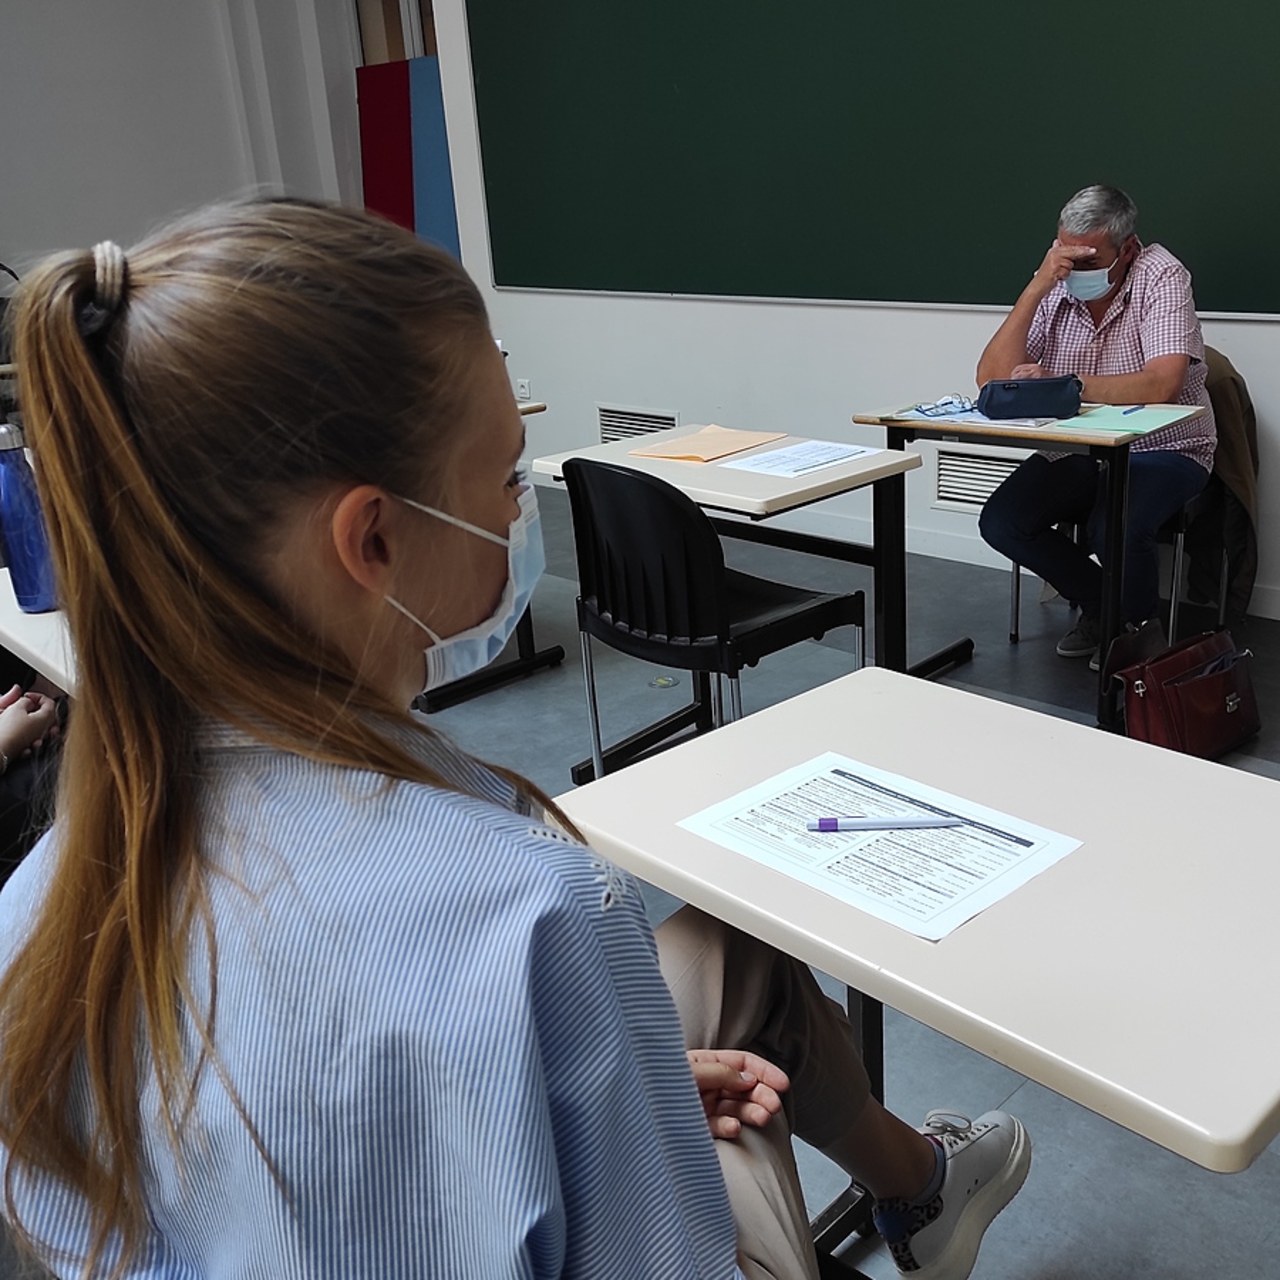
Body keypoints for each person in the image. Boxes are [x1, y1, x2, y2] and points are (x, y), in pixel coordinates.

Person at [0, 200, 1029, 1279]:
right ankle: (921, 1190)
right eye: (503, 478)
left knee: (737, 957)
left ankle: (921, 1187)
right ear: (373, 536)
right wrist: (614, 1112)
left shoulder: (31, 923)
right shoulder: (533, 908)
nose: (514, 514)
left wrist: (605, 1087)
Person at [976, 184, 1217, 667]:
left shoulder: (1162, 275)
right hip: (1081, 447)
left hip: (1167, 446)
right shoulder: (1057, 281)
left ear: (1127, 249)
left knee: (1114, 526)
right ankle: (1109, 609)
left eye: (1088, 261)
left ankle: (1131, 635)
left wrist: (1066, 384)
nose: (1074, 270)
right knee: (1003, 521)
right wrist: (1037, 285)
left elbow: (1163, 382)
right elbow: (990, 381)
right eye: (1065, 255)